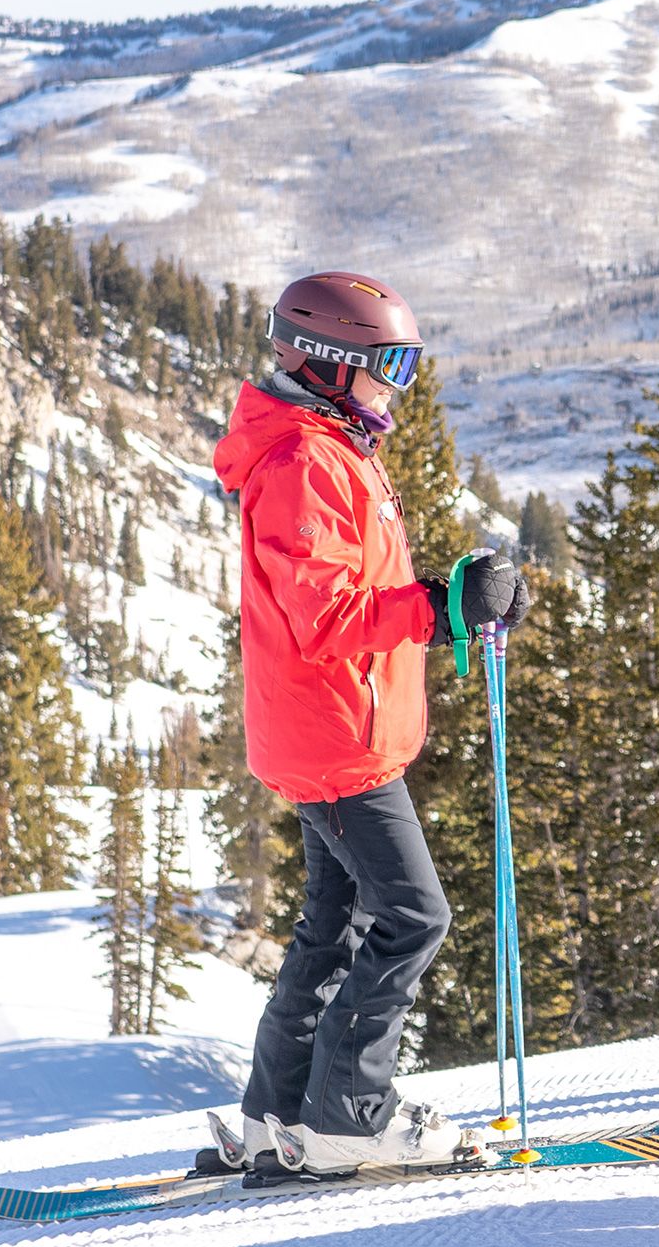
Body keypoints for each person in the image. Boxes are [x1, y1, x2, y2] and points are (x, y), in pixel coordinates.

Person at [212, 271, 533, 1175]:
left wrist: (449, 599)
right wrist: (438, 609)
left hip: (325, 732)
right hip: (336, 740)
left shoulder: (326, 446)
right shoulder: (307, 462)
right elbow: (326, 618)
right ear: (327, 364)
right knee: (412, 918)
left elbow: (355, 588)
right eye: (387, 365)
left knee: (337, 922)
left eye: (408, 365)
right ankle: (350, 1114)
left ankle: (279, 1114)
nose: (399, 385)